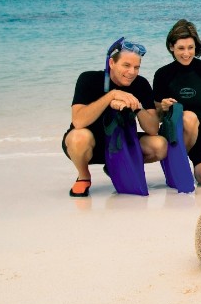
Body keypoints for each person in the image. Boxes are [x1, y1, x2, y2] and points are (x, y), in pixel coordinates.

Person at [63, 37, 167, 197]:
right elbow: (78, 121)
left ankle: (114, 167)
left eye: (136, 67)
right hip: (90, 144)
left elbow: (153, 129)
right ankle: (84, 176)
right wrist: (111, 96)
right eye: (126, 65)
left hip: (122, 143)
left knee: (160, 145)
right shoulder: (88, 79)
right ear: (111, 63)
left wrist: (137, 107)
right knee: (79, 137)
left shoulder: (141, 84)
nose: (132, 72)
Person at [153, 19, 201, 186]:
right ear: (171, 47)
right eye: (180, 48)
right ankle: (178, 164)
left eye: (190, 48)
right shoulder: (162, 74)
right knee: (189, 118)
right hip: (175, 136)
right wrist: (163, 107)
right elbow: (156, 118)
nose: (186, 53)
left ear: (196, 47)